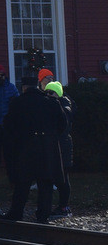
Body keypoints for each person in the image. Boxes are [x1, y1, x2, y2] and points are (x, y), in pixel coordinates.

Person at [1, 75, 67, 223]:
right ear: (37, 86)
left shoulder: (18, 103)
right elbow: (62, 125)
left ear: (24, 87)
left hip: (26, 147)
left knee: (22, 183)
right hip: (47, 148)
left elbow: (8, 126)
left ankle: (16, 212)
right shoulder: (52, 102)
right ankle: (43, 215)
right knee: (46, 182)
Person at [44, 81, 74, 218]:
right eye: (47, 92)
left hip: (63, 145)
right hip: (54, 144)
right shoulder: (51, 106)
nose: (48, 95)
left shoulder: (65, 106)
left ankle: (64, 206)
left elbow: (63, 124)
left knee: (63, 178)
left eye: (51, 92)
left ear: (58, 93)